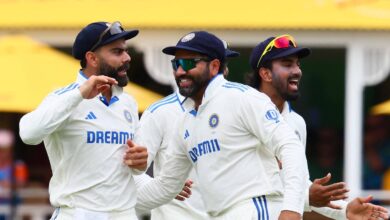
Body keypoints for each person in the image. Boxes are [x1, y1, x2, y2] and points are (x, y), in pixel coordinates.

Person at [129, 31, 309, 220]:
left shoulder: (242, 98)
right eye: (176, 64)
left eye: (189, 63)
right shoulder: (185, 122)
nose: (180, 71)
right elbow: (166, 186)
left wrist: (291, 209)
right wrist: (111, 198)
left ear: (215, 66)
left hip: (256, 208)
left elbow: (290, 146)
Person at [246, 34, 389, 220]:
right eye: (287, 64)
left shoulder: (296, 123)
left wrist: (345, 211)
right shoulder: (239, 113)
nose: (297, 71)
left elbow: (299, 186)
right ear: (265, 74)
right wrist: (305, 198)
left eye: (298, 64)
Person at [19, 21, 148, 220]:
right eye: (117, 52)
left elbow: (135, 168)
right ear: (92, 58)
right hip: (77, 214)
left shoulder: (128, 103)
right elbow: (28, 134)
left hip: (125, 214)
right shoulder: (63, 98)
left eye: (126, 51)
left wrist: (140, 163)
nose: (127, 57)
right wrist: (79, 95)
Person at [135, 41, 239, 220]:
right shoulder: (159, 113)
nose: (181, 70)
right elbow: (132, 174)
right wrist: (162, 188)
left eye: (223, 66)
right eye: (177, 64)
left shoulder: (238, 108)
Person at [0, 129, 28, 220]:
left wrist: (10, 184)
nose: (2, 153)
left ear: (10, 150)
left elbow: (22, 183)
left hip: (12, 204)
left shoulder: (18, 165)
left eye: (4, 150)